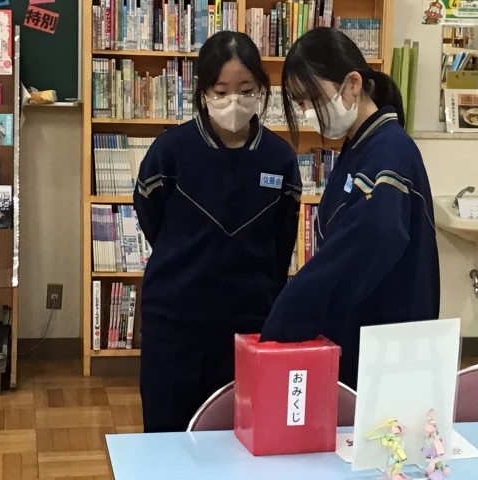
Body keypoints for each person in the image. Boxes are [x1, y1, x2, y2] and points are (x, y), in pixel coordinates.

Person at [134, 31, 301, 433]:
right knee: (166, 439)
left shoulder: (279, 158)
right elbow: (150, 217)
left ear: (262, 89)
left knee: (237, 440)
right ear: (203, 91)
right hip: (175, 321)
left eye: (246, 89)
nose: (234, 101)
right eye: (221, 91)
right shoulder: (170, 150)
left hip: (248, 325)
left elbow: (283, 240)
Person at [260, 28, 440, 389]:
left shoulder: (390, 150)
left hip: (383, 345)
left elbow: (367, 240)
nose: (307, 112)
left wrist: (292, 312)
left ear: (353, 84)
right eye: (300, 103)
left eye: (312, 98)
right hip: (361, 338)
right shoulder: (359, 146)